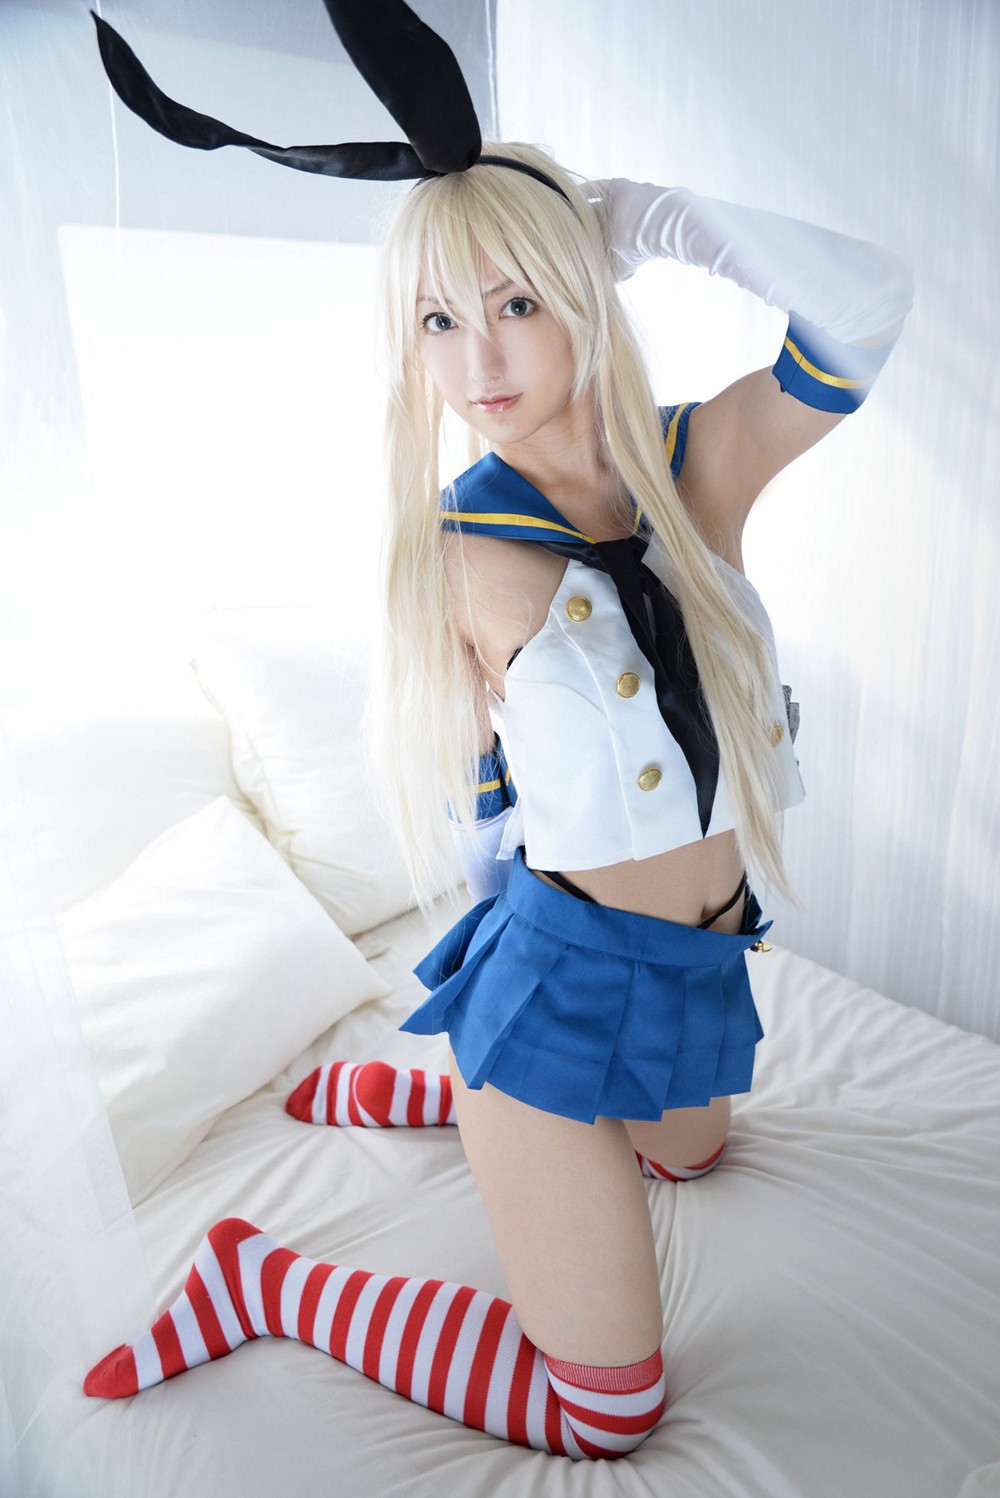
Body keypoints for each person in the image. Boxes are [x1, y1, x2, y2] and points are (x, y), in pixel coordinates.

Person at [83, 5, 914, 1463]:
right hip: (562, 979)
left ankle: (403, 1086)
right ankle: (269, 1274)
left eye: (517, 300)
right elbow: (489, 811)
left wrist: (643, 217)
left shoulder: (692, 466)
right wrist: (503, 1036)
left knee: (692, 1154)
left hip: (704, 956)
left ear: (581, 286)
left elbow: (870, 301)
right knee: (608, 1411)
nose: (478, 360)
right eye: (438, 319)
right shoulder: (457, 553)